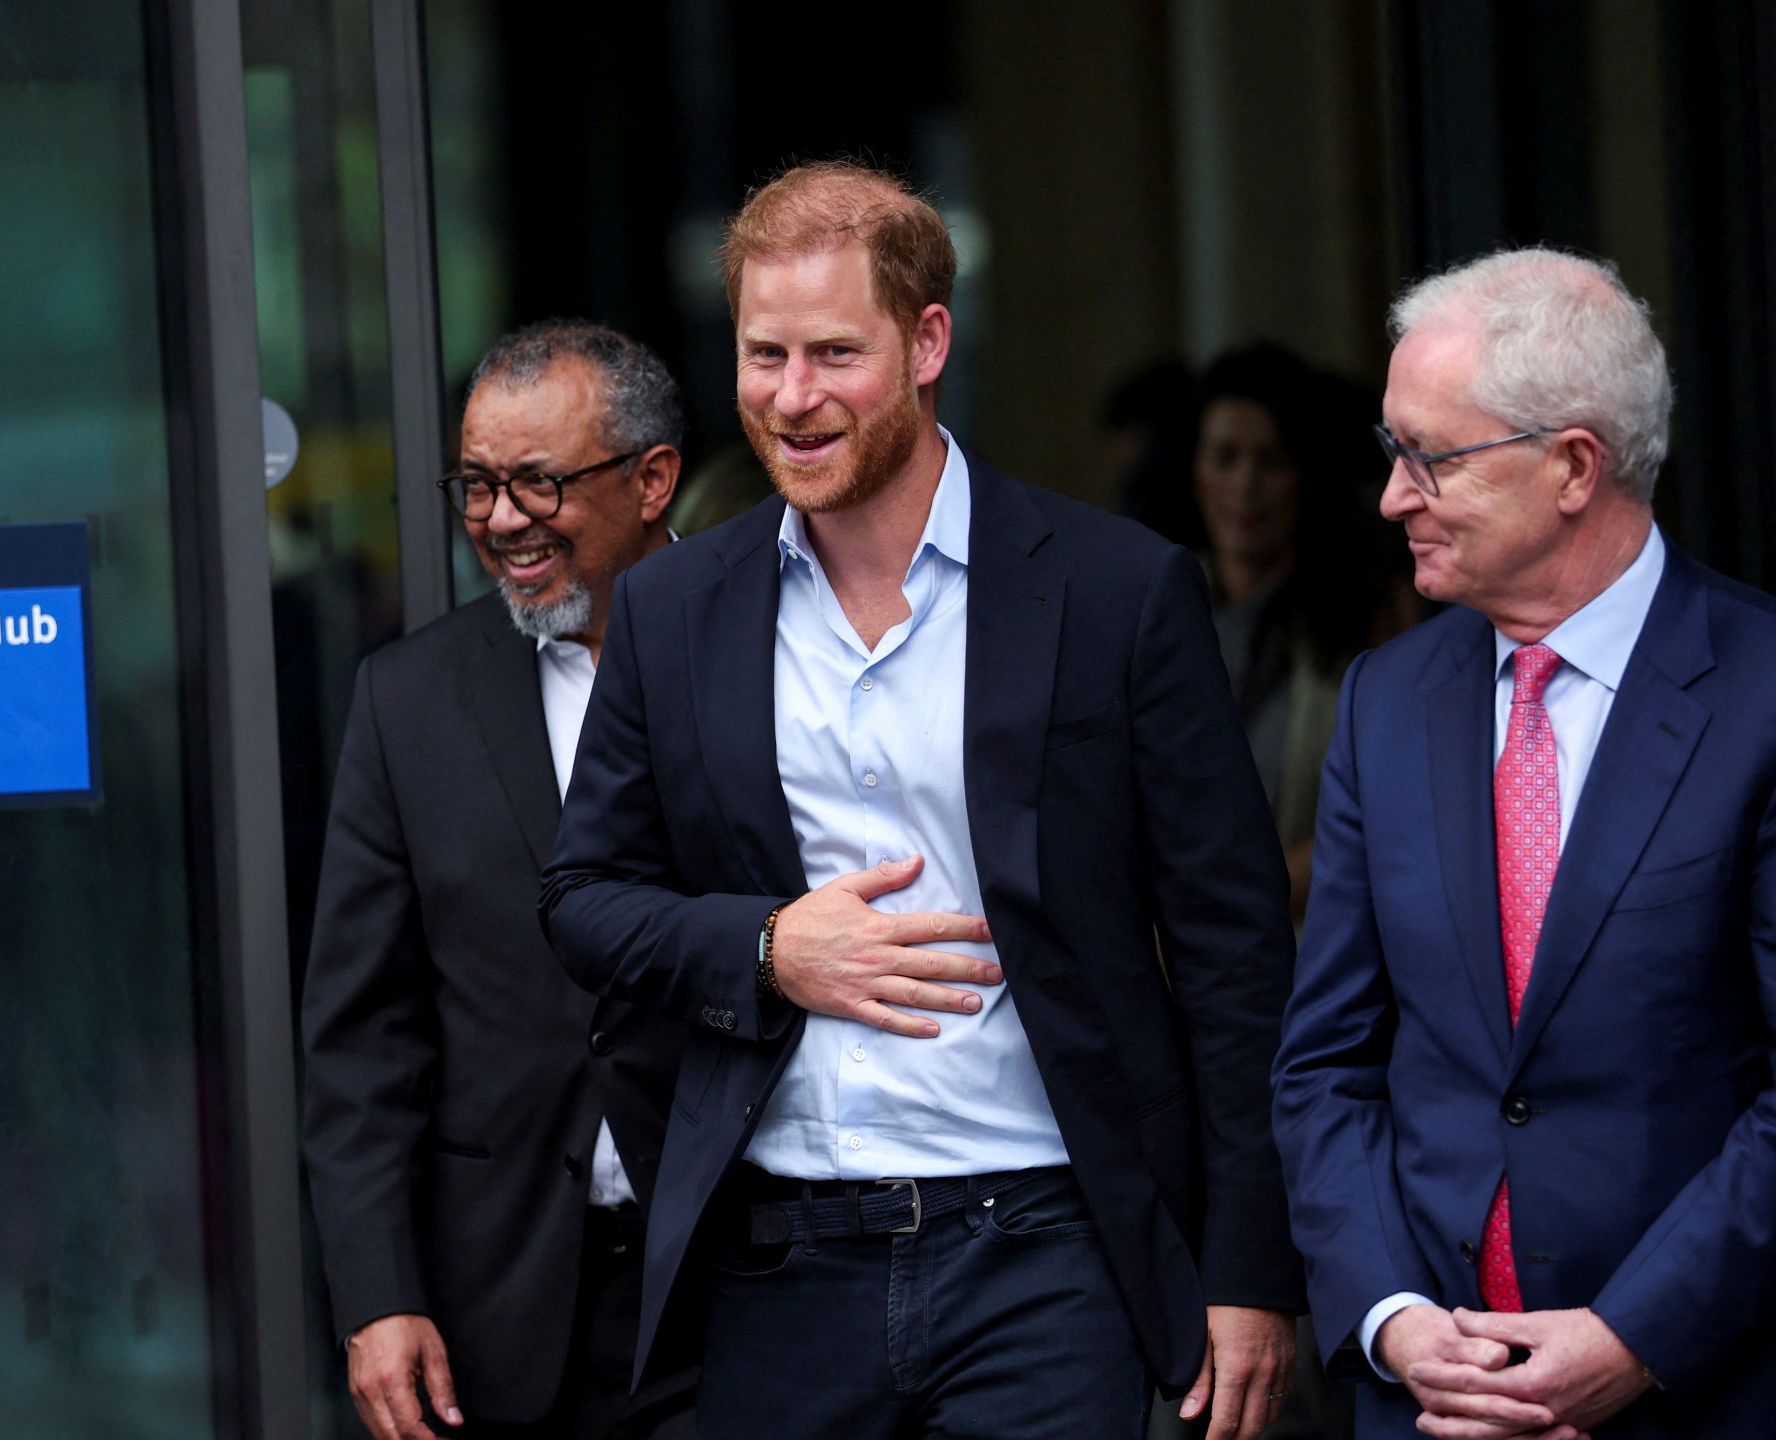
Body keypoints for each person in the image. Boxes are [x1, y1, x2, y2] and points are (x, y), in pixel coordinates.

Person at [540, 161, 1306, 1440]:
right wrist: (775, 948)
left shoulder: (1119, 592)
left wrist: (1249, 1269)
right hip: (780, 1260)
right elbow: (582, 902)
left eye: (834, 351)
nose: (793, 397)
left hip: (1051, 1247)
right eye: (762, 353)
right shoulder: (673, 611)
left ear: (928, 342)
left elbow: (1237, 957)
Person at [1272, 247, 1776, 1440]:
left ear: (1573, 465)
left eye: (1429, 458)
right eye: (1391, 452)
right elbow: (1327, 1064)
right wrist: (1389, 1316)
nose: (1391, 497)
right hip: (1442, 1400)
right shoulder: (1386, 702)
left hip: (1726, 1389)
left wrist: (1634, 1337)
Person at [300, 320, 694, 1440]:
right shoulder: (406, 701)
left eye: (535, 483)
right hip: (503, 1316)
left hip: (744, 1289)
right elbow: (361, 1037)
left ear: (652, 478)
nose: (500, 521)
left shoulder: (772, 649)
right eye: (475, 488)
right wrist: (378, 1294)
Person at [1190, 344, 1418, 920]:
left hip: (1311, 962)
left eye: (1271, 461)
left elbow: (1392, 818)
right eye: (1226, 457)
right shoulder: (1153, 606)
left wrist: (1234, 906)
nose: (1246, 486)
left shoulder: (1365, 613)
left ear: (1305, 475)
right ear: (1196, 472)